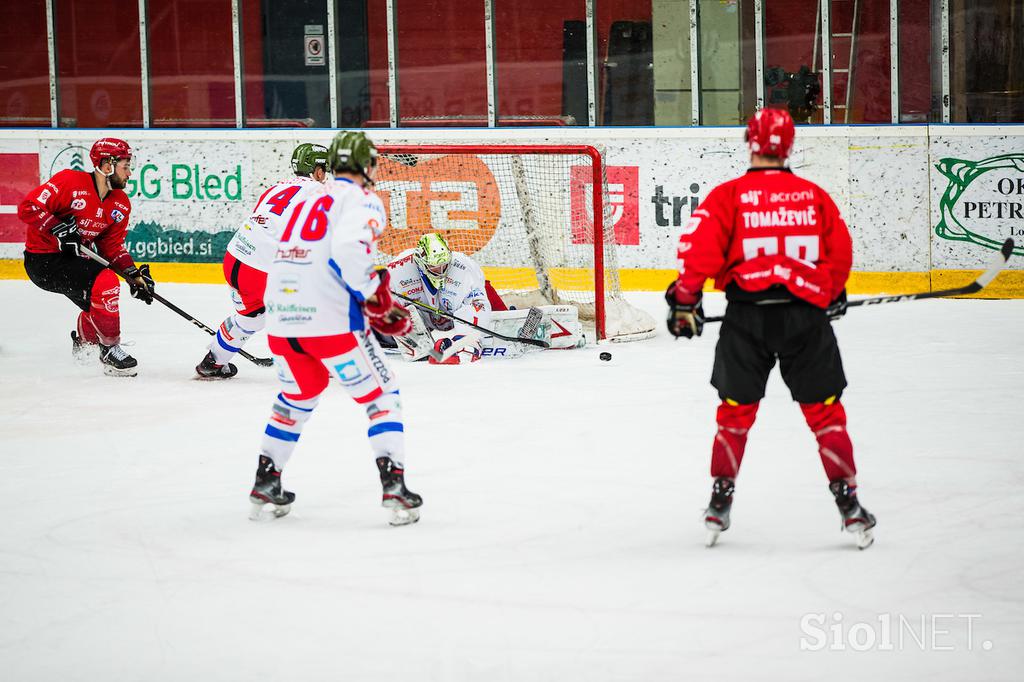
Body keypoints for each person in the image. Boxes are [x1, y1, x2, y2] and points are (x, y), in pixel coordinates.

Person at [665, 107, 876, 549]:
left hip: (747, 320)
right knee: (825, 414)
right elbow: (839, 253)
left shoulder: (729, 196)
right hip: (805, 320)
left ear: (751, 142)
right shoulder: (812, 196)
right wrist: (830, 292)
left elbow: (698, 255)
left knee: (735, 413)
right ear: (789, 145)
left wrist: (685, 302)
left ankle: (720, 500)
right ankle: (849, 504)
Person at [249, 130, 422, 526]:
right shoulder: (362, 200)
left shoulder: (304, 195)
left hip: (279, 315)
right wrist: (377, 301)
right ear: (366, 165)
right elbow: (348, 251)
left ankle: (266, 479)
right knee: (382, 395)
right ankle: (394, 487)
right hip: (329, 319)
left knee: (299, 395)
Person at [18, 137, 155, 377]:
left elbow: (112, 246)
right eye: (126, 166)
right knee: (106, 283)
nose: (130, 173)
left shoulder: (120, 203)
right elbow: (28, 207)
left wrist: (132, 274)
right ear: (106, 165)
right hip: (44, 262)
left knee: (99, 308)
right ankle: (110, 351)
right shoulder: (70, 181)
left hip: (75, 261)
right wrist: (58, 227)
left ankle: (84, 341)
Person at [195, 143, 329, 378]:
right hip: (263, 271)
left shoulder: (275, 187)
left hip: (234, 259)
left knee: (251, 319)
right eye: (324, 170)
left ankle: (213, 361)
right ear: (318, 171)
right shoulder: (320, 192)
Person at [386, 232, 585, 363]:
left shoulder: (463, 267)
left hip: (454, 310)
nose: (440, 270)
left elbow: (477, 304)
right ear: (420, 262)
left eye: (444, 265)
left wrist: (466, 340)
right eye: (434, 267)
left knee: (491, 307)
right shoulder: (398, 270)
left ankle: (507, 315)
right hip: (424, 316)